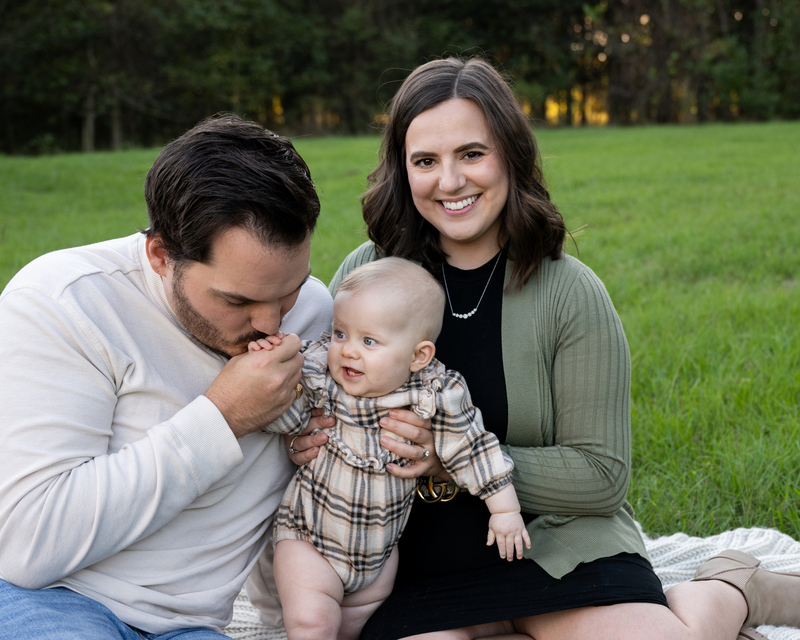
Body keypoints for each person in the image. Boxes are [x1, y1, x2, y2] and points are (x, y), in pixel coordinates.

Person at [304, 57, 800, 640]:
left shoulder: (569, 291)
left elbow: (602, 474)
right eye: (425, 161)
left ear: (510, 155)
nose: (450, 181)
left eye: (471, 154)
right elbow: (323, 399)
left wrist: (450, 460)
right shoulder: (367, 273)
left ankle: (726, 589)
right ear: (401, 170)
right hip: (414, 570)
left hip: (560, 552)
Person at [0, 115, 338, 639]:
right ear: (161, 255)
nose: (271, 324)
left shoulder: (316, 312)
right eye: (237, 300)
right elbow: (26, 545)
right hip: (51, 601)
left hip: (190, 627)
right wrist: (222, 420)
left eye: (288, 291)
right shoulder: (64, 303)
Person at [250, 257, 530, 640]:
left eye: (368, 341)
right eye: (340, 334)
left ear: (419, 356)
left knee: (356, 629)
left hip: (378, 555)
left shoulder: (434, 395)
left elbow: (472, 446)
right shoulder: (320, 374)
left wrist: (504, 507)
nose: (348, 351)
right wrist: (268, 364)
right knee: (313, 623)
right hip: (310, 535)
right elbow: (278, 415)